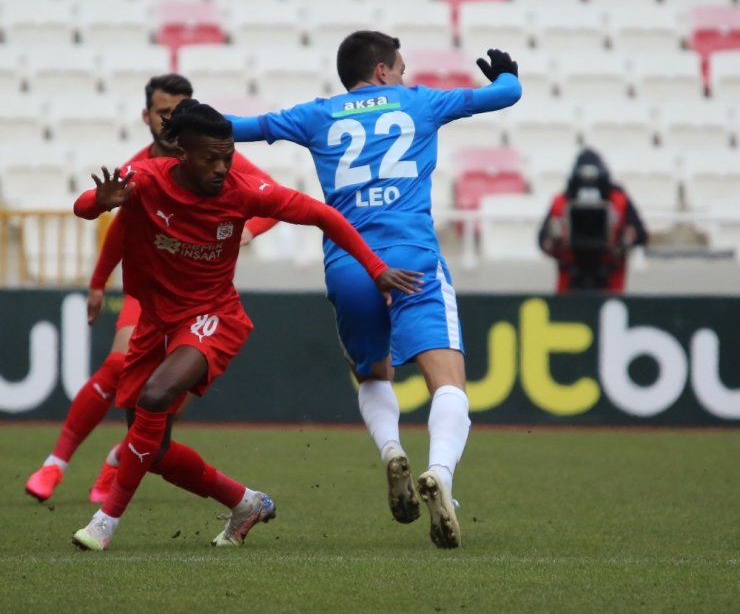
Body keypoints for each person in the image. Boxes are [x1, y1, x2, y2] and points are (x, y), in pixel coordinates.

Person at [70, 99, 422, 551]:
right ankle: (246, 502)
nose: (221, 167)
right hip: (155, 323)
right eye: (210, 158)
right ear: (181, 154)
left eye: (228, 157)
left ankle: (105, 522)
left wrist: (375, 269)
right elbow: (83, 206)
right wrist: (99, 202)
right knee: (154, 451)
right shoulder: (147, 180)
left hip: (211, 317)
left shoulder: (246, 191)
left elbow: (324, 215)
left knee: (157, 396)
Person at [226, 31, 522, 549]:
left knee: (371, 373)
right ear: (383, 71)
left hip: (349, 265)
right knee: (449, 384)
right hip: (413, 260)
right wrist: (507, 74)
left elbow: (240, 129)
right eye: (400, 67)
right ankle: (441, 477)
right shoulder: (419, 101)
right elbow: (505, 96)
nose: (404, 76)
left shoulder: (317, 114)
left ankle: (391, 451)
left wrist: (188, 122)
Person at [25, 74, 279, 505]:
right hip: (149, 296)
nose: (171, 119)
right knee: (120, 365)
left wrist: (248, 231)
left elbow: (272, 200)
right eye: (164, 112)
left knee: (164, 396)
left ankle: (117, 463)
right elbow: (119, 230)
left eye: (180, 111)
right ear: (147, 115)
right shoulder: (140, 169)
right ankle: (55, 463)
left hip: (200, 299)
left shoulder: (216, 159)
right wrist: (97, 282)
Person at [538, 147, 649, 293]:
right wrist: (554, 239)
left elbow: (641, 235)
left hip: (609, 278)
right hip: (570, 280)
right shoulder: (561, 203)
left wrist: (626, 239)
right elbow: (542, 240)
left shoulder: (619, 201)